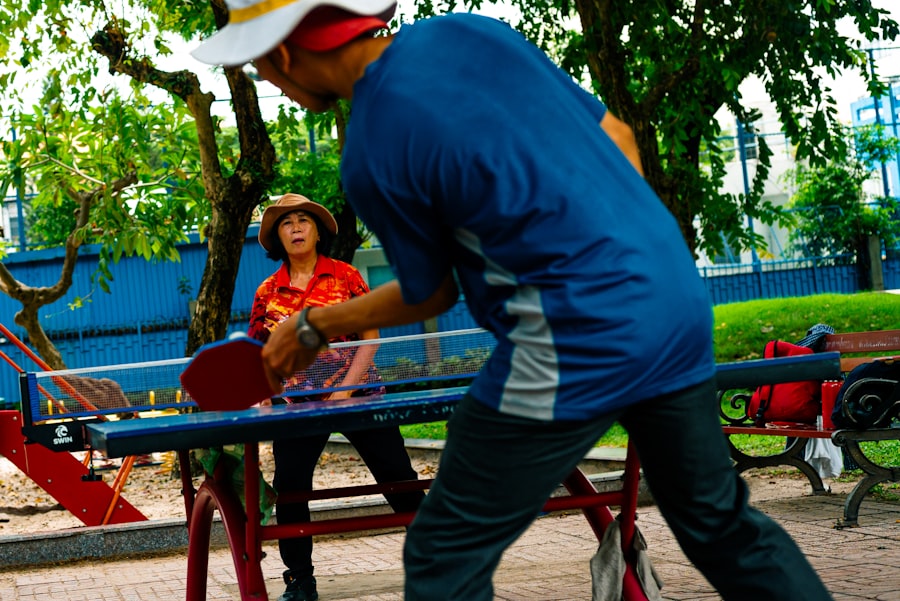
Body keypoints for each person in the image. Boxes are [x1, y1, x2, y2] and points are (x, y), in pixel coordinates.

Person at [193, 4, 833, 600]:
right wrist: (623, 253)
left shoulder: (370, 149)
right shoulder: (471, 32)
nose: (269, 81)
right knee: (717, 522)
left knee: (445, 550)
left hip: (570, 335)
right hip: (672, 298)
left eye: (259, 66)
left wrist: (312, 325)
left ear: (283, 54)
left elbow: (429, 291)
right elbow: (619, 136)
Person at [247, 193, 423, 601]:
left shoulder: (345, 276)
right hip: (299, 407)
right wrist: (264, 396)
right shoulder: (268, 290)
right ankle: (300, 580)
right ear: (277, 235)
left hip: (360, 395)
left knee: (400, 480)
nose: (295, 228)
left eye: (302, 221)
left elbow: (370, 338)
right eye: (286, 223)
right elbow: (259, 352)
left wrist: (345, 390)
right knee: (289, 488)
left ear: (316, 231)